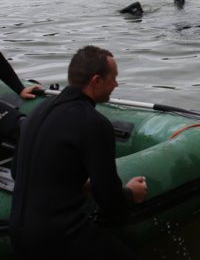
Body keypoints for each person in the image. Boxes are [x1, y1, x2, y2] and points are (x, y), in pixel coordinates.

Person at [10, 46, 148, 259]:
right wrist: (131, 193)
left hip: (19, 233)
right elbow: (110, 201)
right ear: (96, 80)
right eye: (113, 78)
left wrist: (75, 184)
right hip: (60, 236)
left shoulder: (37, 111)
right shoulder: (93, 123)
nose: (116, 84)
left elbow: (16, 172)